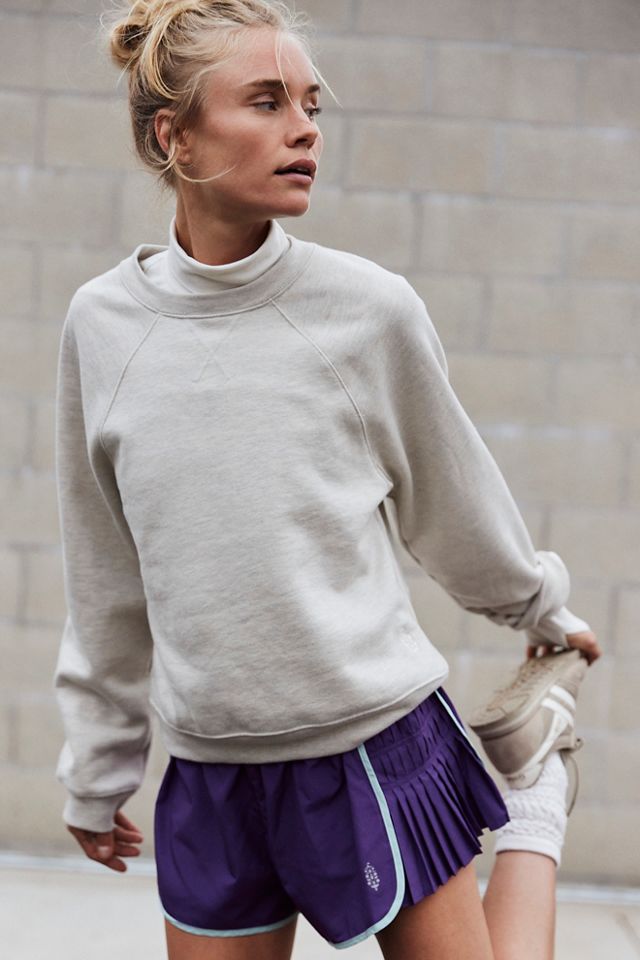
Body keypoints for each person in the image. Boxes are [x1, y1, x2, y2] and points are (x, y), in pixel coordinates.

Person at [52, 1, 602, 958]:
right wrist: (97, 771)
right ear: (173, 135)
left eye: (310, 103)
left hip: (376, 748)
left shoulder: (369, 311)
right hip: (212, 777)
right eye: (266, 101)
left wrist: (538, 609)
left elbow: (453, 504)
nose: (305, 127)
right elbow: (105, 578)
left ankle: (534, 808)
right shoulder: (101, 329)